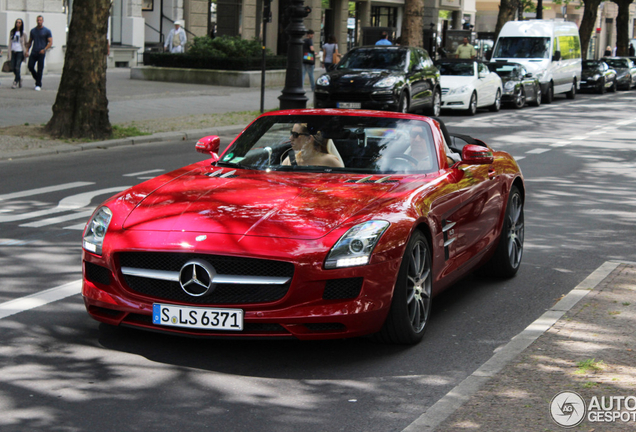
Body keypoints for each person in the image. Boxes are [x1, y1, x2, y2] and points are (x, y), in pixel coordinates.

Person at [27, 15, 52, 91]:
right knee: (30, 66)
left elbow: (50, 42)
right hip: (34, 51)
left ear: (42, 21)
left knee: (40, 68)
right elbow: (30, 41)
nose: (39, 22)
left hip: (41, 52)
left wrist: (44, 49)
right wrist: (27, 50)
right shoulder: (33, 31)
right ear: (36, 21)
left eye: (40, 20)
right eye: (38, 20)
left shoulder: (46, 31)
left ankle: (38, 84)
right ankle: (37, 79)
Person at [8, 18, 28, 89]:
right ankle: (19, 78)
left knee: (17, 67)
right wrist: (9, 52)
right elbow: (10, 42)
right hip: (13, 51)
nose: (18, 24)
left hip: (20, 52)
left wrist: (26, 51)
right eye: (17, 22)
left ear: (21, 24)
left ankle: (15, 82)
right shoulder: (12, 32)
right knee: (13, 67)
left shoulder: (23, 33)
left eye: (19, 22)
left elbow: (26, 43)